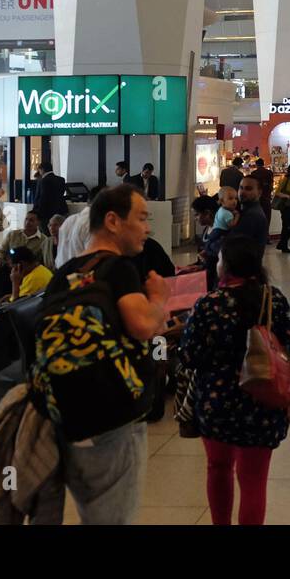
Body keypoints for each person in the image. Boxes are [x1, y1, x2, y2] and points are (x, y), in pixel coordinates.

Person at [41, 184, 169, 525]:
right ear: (112, 220)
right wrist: (158, 298)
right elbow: (143, 325)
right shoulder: (118, 269)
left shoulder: (63, 275)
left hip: (70, 415)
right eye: (141, 218)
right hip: (113, 417)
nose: (147, 228)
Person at [178, 236, 290, 525]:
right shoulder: (272, 299)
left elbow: (188, 356)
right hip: (263, 402)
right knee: (253, 480)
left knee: (217, 468)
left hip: (216, 404)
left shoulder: (207, 304)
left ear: (225, 266)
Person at [0, 211, 52, 297]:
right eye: (26, 219)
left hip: (27, 271)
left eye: (31, 220)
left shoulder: (44, 240)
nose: (27, 222)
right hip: (10, 267)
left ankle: (11, 299)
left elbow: (42, 261)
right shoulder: (13, 234)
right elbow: (1, 250)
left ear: (38, 222)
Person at [228, 173, 271, 254]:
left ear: (259, 192)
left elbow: (234, 246)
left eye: (248, 189)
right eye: (241, 188)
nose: (242, 192)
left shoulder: (252, 216)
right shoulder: (244, 211)